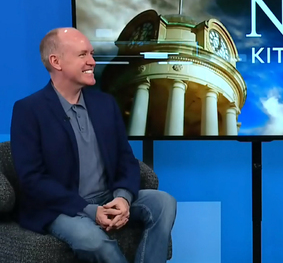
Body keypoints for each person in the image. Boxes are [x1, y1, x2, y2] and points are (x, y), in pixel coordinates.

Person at [10, 27, 177, 263]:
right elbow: (32, 179)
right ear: (56, 61)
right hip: (61, 206)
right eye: (82, 55)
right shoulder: (28, 110)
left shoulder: (105, 104)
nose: (92, 61)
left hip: (107, 196)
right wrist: (90, 211)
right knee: (92, 240)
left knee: (164, 202)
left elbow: (125, 159)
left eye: (91, 53)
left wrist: (123, 198)